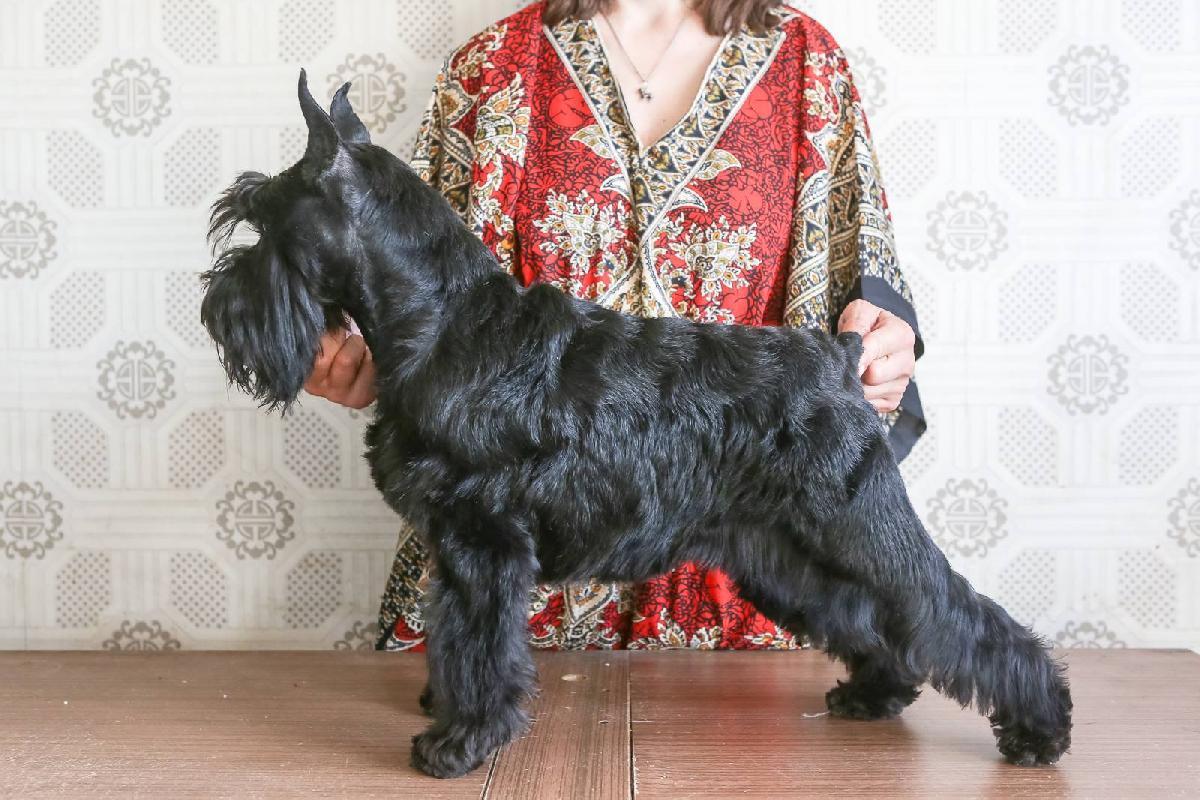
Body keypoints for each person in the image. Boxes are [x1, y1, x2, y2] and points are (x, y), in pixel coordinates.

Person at [304, 0, 925, 651]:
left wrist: (885, 345)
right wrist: (359, 351)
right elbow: (408, 293)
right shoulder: (490, 70)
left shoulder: (807, 63)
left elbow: (864, 282)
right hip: (512, 605)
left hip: (748, 597)